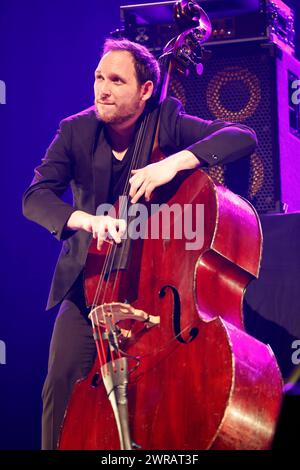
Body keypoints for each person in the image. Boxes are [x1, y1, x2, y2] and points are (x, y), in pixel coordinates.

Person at [22, 38, 257, 450]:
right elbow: (35, 197)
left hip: (158, 284)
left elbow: (242, 136)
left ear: (146, 90)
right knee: (60, 380)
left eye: (117, 80)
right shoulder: (76, 130)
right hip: (93, 283)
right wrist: (87, 220)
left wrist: (173, 162)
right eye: (99, 77)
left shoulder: (166, 119)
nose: (103, 89)